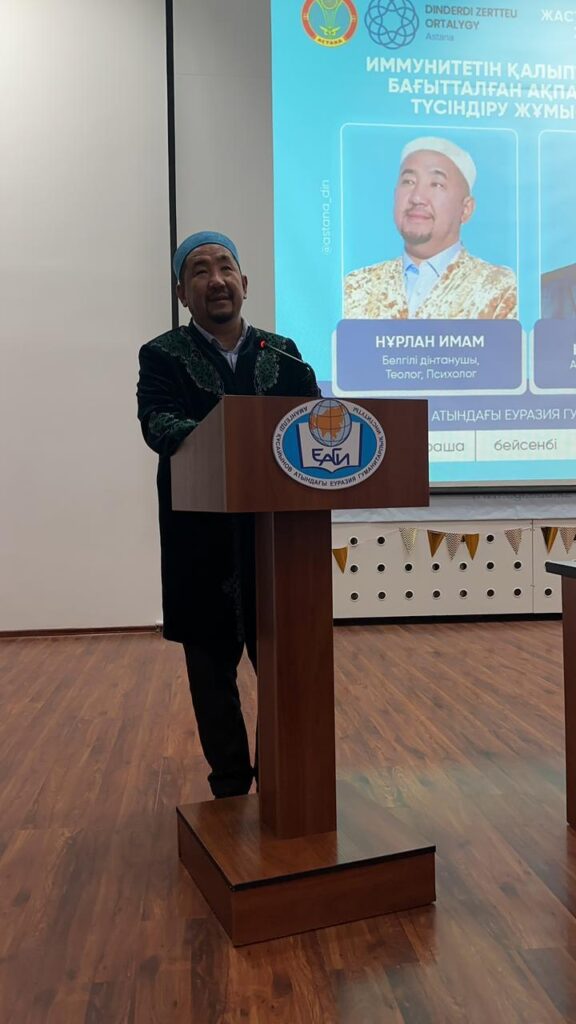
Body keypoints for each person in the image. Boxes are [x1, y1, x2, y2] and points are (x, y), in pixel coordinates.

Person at [137, 230, 319, 798]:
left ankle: (281, 783)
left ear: (245, 283)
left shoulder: (283, 354)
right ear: (181, 292)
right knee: (211, 680)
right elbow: (158, 424)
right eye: (199, 271)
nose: (215, 280)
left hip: (277, 543)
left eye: (225, 268)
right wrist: (232, 439)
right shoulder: (161, 355)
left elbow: (313, 425)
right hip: (201, 543)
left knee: (285, 672)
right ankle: (232, 791)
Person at [344, 136, 517, 320]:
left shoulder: (500, 290)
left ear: (466, 209)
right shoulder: (356, 287)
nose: (417, 197)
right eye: (409, 182)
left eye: (436, 184)